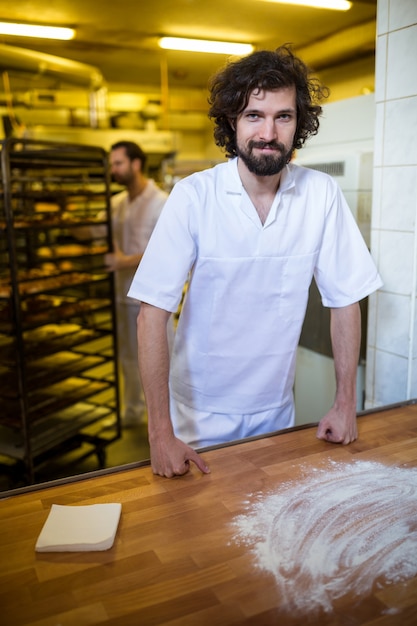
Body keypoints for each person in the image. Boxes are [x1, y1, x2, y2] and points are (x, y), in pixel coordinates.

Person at [127, 46, 383, 476]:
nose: (268, 131)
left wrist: (345, 404)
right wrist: (160, 434)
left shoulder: (320, 194)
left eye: (283, 116)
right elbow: (151, 314)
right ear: (232, 122)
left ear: (299, 123)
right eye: (253, 115)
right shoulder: (194, 196)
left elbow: (345, 300)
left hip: (277, 411)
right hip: (197, 414)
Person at [104, 140, 169, 427]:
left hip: (154, 300)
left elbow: (166, 249)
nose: (113, 169)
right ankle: (132, 413)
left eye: (118, 163)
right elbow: (94, 230)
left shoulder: (162, 203)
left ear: (135, 164)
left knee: (162, 361)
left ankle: (168, 419)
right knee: (129, 359)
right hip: (122, 295)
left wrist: (122, 261)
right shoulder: (116, 203)